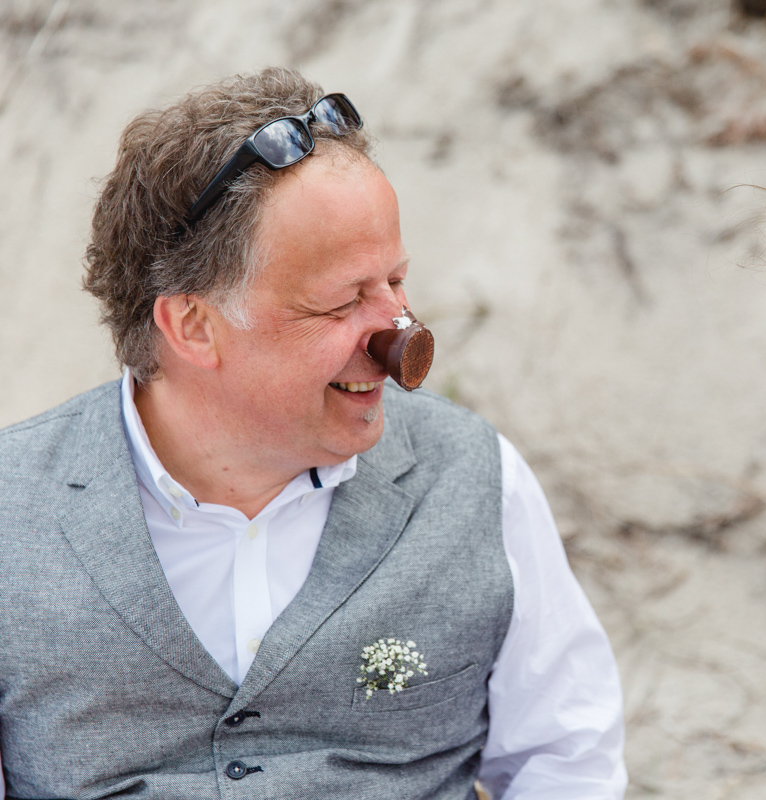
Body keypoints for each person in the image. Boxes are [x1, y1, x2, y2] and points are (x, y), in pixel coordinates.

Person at [0, 68, 626, 800]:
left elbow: (567, 757)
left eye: (395, 282)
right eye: (341, 303)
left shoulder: (477, 481)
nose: (399, 332)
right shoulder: (14, 511)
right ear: (194, 327)